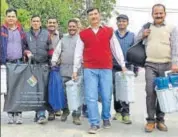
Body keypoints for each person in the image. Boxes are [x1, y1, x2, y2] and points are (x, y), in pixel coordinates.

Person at [72, 8, 126, 134]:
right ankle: (94, 123)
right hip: (89, 69)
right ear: (88, 18)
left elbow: (116, 49)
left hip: (106, 68)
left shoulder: (108, 31)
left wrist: (122, 65)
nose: (93, 16)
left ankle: (106, 117)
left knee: (107, 96)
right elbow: (78, 53)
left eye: (95, 14)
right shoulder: (83, 34)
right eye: (90, 14)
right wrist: (75, 69)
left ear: (99, 15)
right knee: (91, 97)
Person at [136, 4, 178, 132]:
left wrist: (175, 63)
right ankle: (150, 120)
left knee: (163, 92)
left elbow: (175, 47)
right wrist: (143, 35)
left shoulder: (172, 28)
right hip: (150, 64)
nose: (158, 15)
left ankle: (160, 120)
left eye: (161, 13)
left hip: (166, 65)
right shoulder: (146, 27)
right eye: (156, 13)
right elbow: (135, 41)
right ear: (152, 14)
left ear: (165, 14)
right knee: (150, 92)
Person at [51, 19, 82, 125]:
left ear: (77, 27)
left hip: (77, 71)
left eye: (74, 26)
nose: (72, 28)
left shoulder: (81, 39)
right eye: (70, 26)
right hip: (63, 70)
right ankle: (65, 110)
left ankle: (76, 115)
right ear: (67, 27)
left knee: (77, 93)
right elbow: (56, 52)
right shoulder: (63, 39)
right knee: (64, 93)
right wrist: (54, 62)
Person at [0, 8, 26, 124]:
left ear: (16, 18)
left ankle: (19, 114)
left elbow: (25, 45)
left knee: (19, 89)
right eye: (9, 16)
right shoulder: (2, 30)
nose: (11, 18)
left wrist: (27, 53)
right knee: (8, 90)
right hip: (6, 63)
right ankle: (10, 114)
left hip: (19, 63)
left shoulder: (21, 31)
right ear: (6, 17)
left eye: (13, 16)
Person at [24, 15, 51, 124]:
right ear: (31, 22)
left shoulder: (46, 34)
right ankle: (38, 113)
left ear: (40, 23)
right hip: (31, 67)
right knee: (33, 89)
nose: (36, 23)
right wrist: (26, 52)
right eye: (34, 21)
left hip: (43, 66)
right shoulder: (26, 35)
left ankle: (41, 114)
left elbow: (50, 49)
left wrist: (51, 63)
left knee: (42, 90)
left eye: (38, 21)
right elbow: (24, 47)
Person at [113, 14, 135, 124]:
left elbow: (135, 52)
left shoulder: (132, 36)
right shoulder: (112, 35)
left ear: (127, 23)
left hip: (127, 67)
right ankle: (117, 111)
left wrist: (135, 69)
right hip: (114, 66)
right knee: (116, 90)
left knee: (126, 90)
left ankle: (126, 113)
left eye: (124, 21)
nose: (121, 23)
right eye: (119, 21)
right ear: (117, 23)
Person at [46, 16, 62, 121]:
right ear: (47, 24)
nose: (52, 24)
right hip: (45, 64)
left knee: (57, 88)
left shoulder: (61, 35)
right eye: (50, 22)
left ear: (57, 24)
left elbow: (64, 49)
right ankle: (50, 111)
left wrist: (59, 60)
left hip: (57, 65)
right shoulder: (43, 35)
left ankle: (57, 109)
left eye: (54, 22)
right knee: (46, 88)